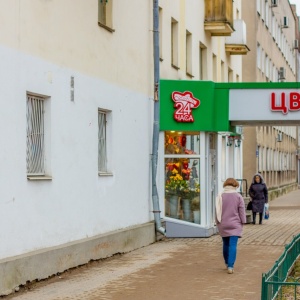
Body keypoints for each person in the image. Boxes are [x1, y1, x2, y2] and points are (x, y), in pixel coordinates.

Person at [215, 178, 246, 274]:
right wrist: (243, 221)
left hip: (223, 223)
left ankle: (226, 262)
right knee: (233, 245)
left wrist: (217, 222)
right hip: (235, 224)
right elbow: (241, 211)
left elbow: (217, 211)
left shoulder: (220, 196)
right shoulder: (238, 196)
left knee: (225, 244)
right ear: (235, 186)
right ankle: (230, 266)